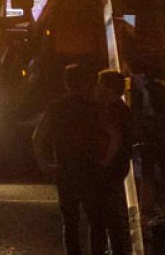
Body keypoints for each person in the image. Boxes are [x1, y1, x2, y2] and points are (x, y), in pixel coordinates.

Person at [32, 64, 119, 255]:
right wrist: (106, 161)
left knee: (70, 221)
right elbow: (114, 135)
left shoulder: (55, 108)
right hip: (90, 169)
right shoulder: (94, 109)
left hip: (65, 169)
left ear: (66, 83)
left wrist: (43, 163)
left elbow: (38, 136)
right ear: (87, 83)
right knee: (96, 220)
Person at [95, 69, 135, 255]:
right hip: (119, 166)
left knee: (108, 214)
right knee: (112, 212)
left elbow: (116, 136)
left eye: (100, 83)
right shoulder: (123, 109)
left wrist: (104, 161)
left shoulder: (111, 110)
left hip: (111, 168)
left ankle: (115, 249)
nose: (97, 87)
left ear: (107, 87)